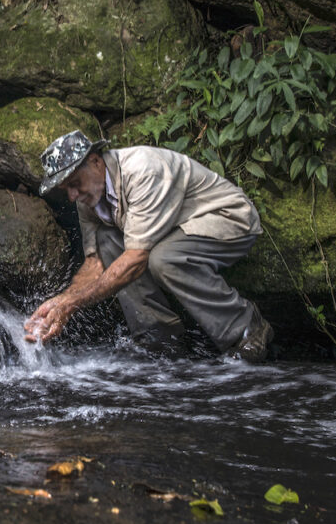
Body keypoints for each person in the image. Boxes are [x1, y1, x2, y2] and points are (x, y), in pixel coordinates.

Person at [23, 130, 274, 362]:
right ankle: (161, 343)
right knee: (106, 242)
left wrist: (72, 305)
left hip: (226, 218)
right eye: (65, 188)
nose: (72, 196)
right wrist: (58, 303)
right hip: (172, 232)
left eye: (74, 182)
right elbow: (94, 262)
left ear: (96, 162)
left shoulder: (143, 170)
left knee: (164, 259)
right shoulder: (87, 200)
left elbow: (135, 260)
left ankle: (246, 330)